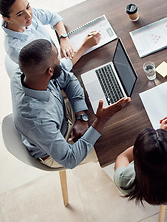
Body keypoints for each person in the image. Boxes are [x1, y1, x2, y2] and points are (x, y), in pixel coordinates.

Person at [11, 39, 130, 169]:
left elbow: (69, 80)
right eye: (57, 57)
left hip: (60, 116)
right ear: (50, 71)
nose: (60, 60)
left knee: (116, 113)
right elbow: (70, 159)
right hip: (57, 150)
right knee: (122, 140)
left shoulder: (25, 73)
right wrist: (101, 120)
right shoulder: (38, 121)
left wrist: (81, 117)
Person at [0, 0, 101, 74]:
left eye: (28, 7)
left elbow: (53, 17)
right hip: (50, 75)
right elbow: (55, 72)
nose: (29, 15)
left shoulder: (28, 15)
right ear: (7, 18)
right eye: (20, 14)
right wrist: (85, 46)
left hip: (56, 58)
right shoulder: (17, 49)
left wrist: (63, 37)